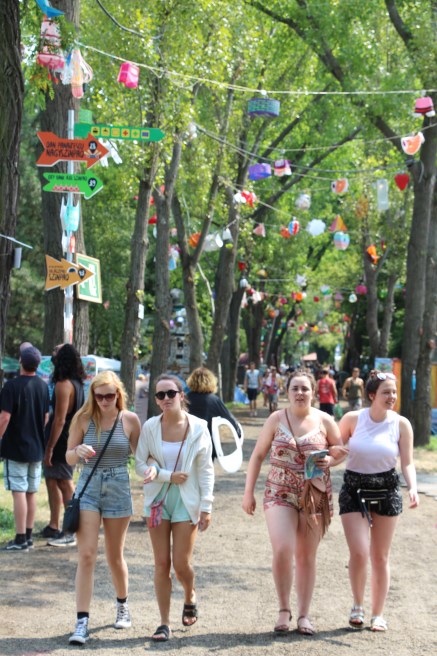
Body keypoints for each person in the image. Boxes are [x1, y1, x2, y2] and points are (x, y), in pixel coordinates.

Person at [242, 369, 342, 635]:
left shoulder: (325, 420)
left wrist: (330, 460)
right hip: (279, 491)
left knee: (307, 555)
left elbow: (340, 450)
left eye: (305, 388)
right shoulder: (276, 419)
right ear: (287, 392)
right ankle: (283, 609)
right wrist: (248, 492)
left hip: (314, 494)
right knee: (283, 548)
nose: (300, 393)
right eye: (295, 388)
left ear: (313, 392)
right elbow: (257, 456)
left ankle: (304, 615)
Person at [337, 370, 419, 633]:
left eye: (394, 392)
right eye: (386, 392)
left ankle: (378, 615)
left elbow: (407, 462)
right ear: (372, 395)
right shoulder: (352, 419)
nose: (392, 396)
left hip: (387, 490)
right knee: (360, 552)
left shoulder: (401, 424)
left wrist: (413, 487)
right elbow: (336, 451)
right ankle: (357, 606)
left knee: (380, 556)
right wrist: (326, 460)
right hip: (354, 489)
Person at [135, 374, 214, 643]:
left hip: (186, 500)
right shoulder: (150, 427)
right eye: (160, 395)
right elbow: (139, 464)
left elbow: (206, 470)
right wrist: (166, 475)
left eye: (171, 393)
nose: (166, 398)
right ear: (156, 400)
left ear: (182, 395)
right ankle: (164, 623)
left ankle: (190, 594)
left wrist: (207, 506)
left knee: (181, 564)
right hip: (157, 501)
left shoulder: (199, 428)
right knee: (161, 563)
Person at [65, 371, 141, 645]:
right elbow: (68, 455)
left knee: (114, 555)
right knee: (86, 555)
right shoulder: (83, 419)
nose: (105, 401)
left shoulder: (130, 420)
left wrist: (157, 472)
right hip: (89, 485)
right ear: (93, 395)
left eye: (110, 395)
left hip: (118, 485)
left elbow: (141, 458)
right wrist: (77, 452)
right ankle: (82, 621)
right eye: (100, 396)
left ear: (118, 394)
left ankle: (122, 604)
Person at [0, 346, 50, 551]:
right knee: (31, 492)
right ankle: (28, 535)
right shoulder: (43, 386)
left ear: (20, 361)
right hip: (36, 447)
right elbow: (46, 417)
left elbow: (4, 417)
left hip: (16, 448)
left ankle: (20, 538)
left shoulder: (11, 386)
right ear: (38, 365)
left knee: (19, 491)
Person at [42, 344, 86, 546]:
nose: (52, 353)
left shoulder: (63, 385)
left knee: (65, 483)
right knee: (53, 480)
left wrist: (49, 448)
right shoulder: (77, 383)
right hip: (70, 436)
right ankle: (54, 526)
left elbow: (59, 420)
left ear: (63, 358)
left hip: (62, 440)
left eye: (56, 351)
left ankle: (71, 531)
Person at [186, 367, 241, 459]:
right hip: (207, 446)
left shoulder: (185, 399)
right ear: (211, 381)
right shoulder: (214, 400)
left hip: (187, 444)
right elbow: (230, 420)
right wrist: (238, 434)